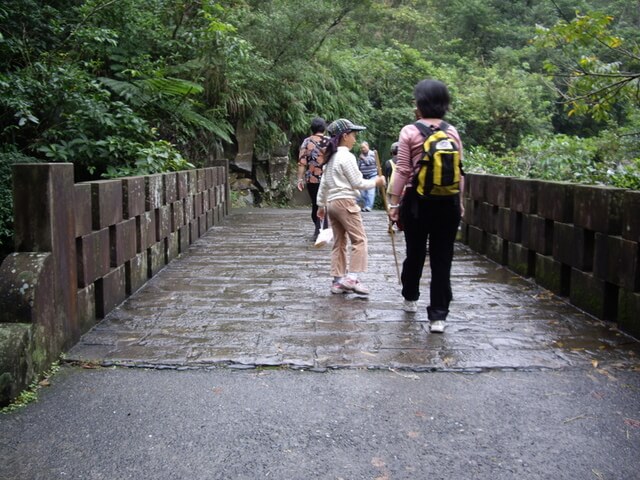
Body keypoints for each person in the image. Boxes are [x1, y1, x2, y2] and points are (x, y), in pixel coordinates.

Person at [387, 79, 465, 333]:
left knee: (416, 252)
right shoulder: (452, 132)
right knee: (443, 259)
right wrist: (460, 204)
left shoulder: (409, 132)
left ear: (419, 103)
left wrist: (393, 202)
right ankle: (438, 317)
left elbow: (404, 170)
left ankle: (410, 296)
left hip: (418, 202)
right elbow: (460, 173)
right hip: (448, 203)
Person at [317, 119, 386, 295]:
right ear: (345, 136)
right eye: (353, 135)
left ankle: (337, 281)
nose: (355, 139)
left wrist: (321, 205)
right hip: (345, 202)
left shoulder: (331, 158)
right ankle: (351, 278)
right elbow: (357, 182)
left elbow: (323, 184)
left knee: (340, 242)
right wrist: (376, 182)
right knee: (360, 240)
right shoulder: (346, 156)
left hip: (332, 203)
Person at [297, 117, 329, 239]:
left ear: (312, 129)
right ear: (324, 128)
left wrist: (299, 179)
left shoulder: (307, 142)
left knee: (316, 204)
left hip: (312, 179)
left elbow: (302, 162)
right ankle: (322, 228)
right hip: (328, 178)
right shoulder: (330, 141)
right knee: (325, 203)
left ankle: (318, 229)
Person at [357, 141, 378, 211]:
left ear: (367, 146)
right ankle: (365, 206)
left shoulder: (372, 153)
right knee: (363, 193)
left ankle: (369, 206)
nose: (363, 149)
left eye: (364, 147)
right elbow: (359, 165)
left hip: (372, 175)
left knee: (370, 192)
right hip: (363, 176)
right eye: (361, 148)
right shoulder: (361, 155)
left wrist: (363, 158)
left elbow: (369, 162)